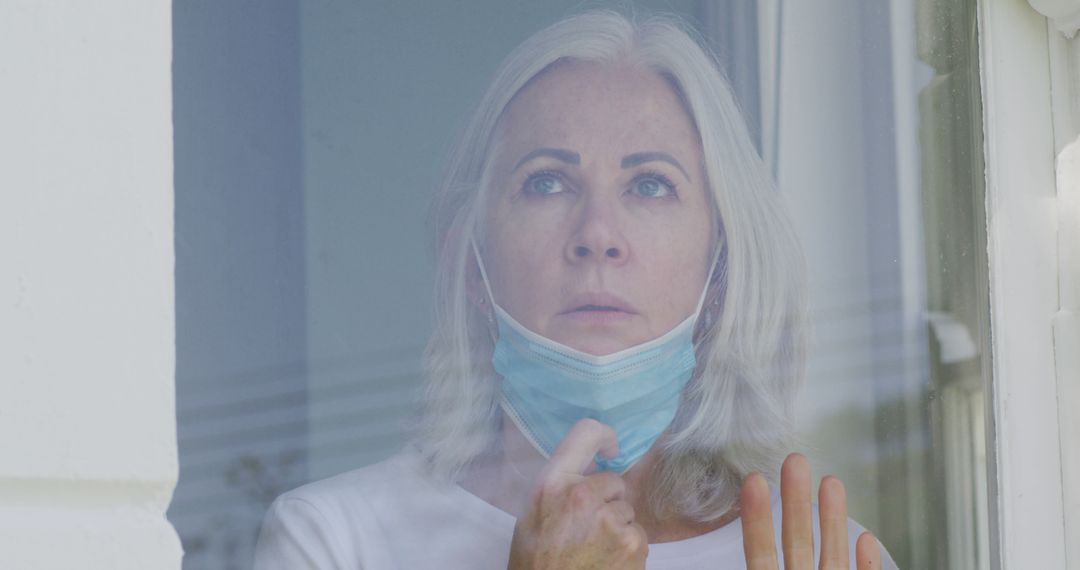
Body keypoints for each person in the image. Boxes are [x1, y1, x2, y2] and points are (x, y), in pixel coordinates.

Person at [254, 9, 899, 569]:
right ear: (473, 266)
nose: (597, 235)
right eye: (546, 182)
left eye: (650, 185)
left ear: (722, 271)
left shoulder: (818, 557)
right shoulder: (335, 542)